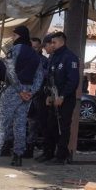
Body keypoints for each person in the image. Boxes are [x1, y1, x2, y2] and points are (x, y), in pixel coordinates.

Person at [0, 26, 43, 167]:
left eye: (14, 35)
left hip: (13, 90)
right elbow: (39, 76)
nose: (12, 38)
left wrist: (19, 90)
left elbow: (10, 71)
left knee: (0, 123)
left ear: (19, 35)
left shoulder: (14, 50)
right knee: (20, 125)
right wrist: (31, 92)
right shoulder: (35, 54)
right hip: (27, 93)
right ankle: (18, 156)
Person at [37, 31, 79, 164]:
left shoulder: (70, 57)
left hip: (65, 99)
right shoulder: (53, 57)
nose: (52, 45)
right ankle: (49, 153)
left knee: (63, 127)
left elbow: (73, 81)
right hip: (53, 97)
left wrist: (62, 96)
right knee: (51, 126)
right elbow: (50, 77)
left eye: (54, 42)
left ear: (61, 42)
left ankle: (61, 156)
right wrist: (49, 96)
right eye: (51, 42)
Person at [24, 36, 51, 159]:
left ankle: (33, 149)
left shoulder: (44, 61)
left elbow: (48, 75)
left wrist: (38, 71)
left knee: (37, 124)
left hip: (39, 96)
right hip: (25, 95)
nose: (33, 49)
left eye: (36, 47)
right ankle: (23, 148)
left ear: (40, 48)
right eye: (31, 47)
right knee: (25, 123)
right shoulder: (25, 59)